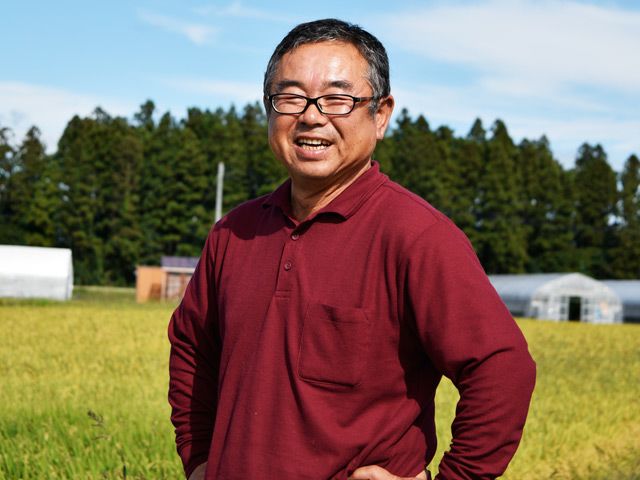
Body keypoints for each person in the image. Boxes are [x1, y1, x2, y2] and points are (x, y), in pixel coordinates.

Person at [168, 18, 536, 480]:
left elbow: (502, 368)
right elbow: (192, 348)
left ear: (381, 115)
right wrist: (199, 457)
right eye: (290, 97)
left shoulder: (417, 236)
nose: (311, 116)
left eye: (337, 99)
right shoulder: (233, 233)